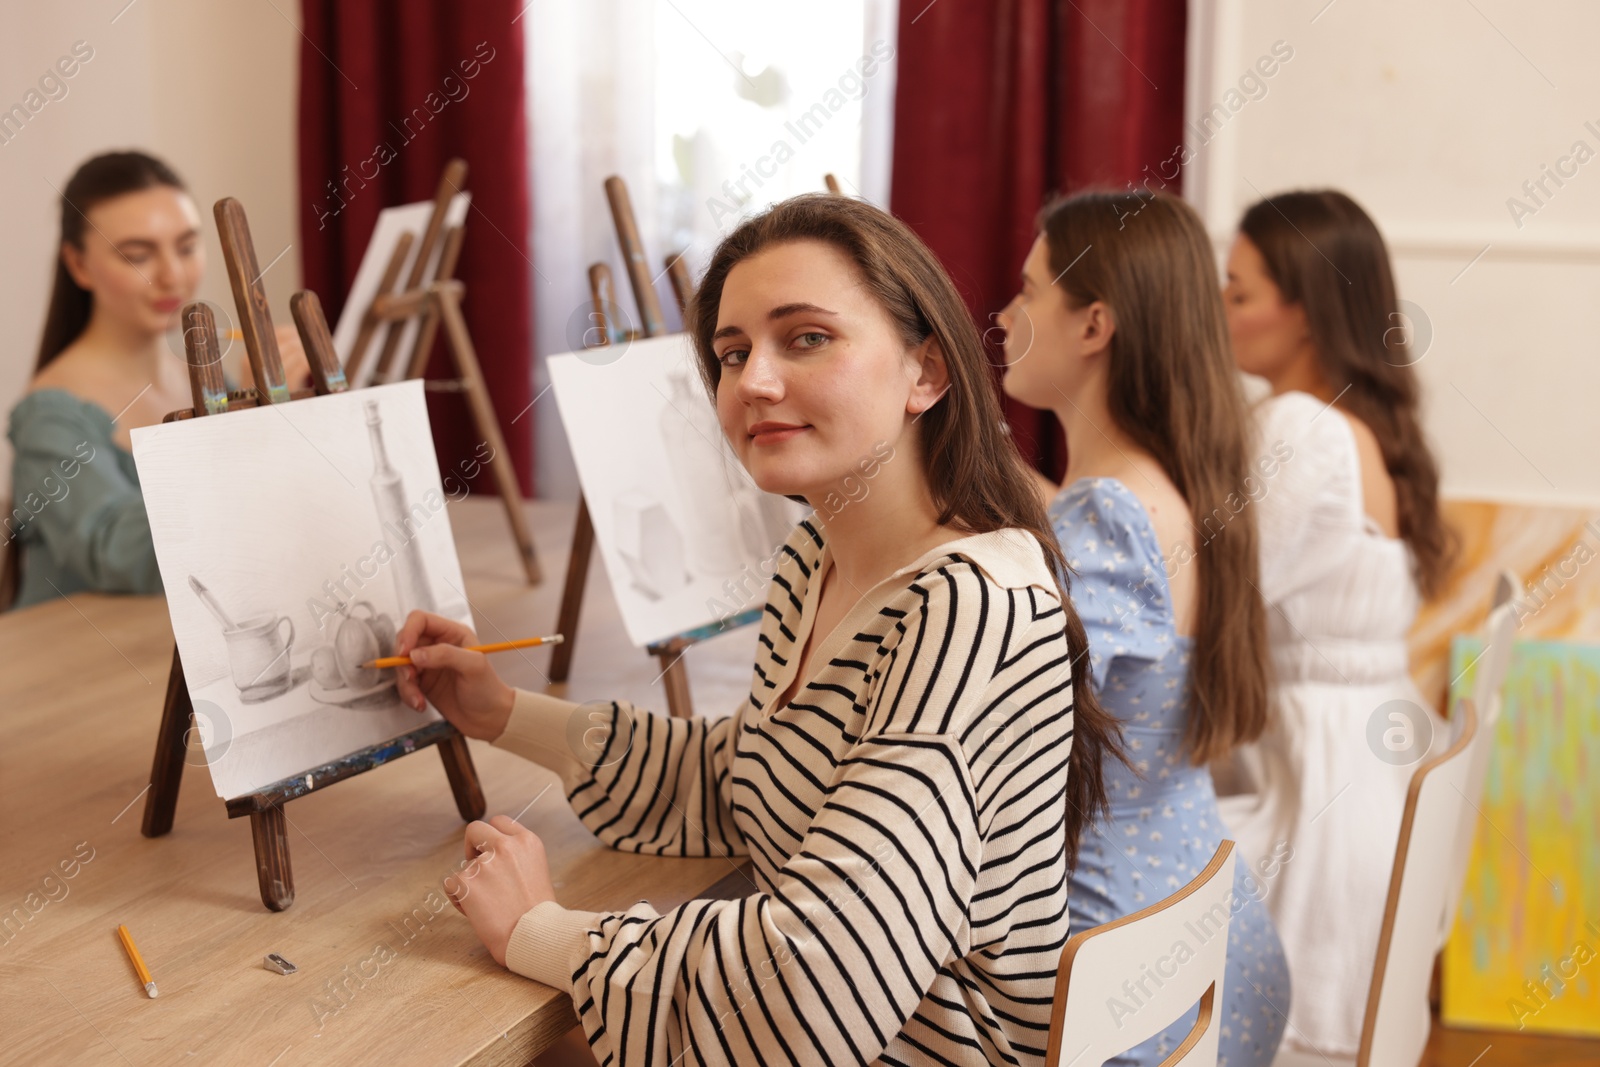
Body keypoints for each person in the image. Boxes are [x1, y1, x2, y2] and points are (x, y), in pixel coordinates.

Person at [392, 193, 1126, 1066]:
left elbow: (817, 985)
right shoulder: (815, 557)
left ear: (925, 373)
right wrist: (499, 711)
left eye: (806, 337)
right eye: (731, 353)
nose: (754, 382)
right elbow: (744, 777)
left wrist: (542, 931)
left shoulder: (969, 611)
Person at [998, 190, 1291, 1066]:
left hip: (1120, 974)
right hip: (1205, 921)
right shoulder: (1174, 484)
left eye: (1028, 290)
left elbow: (1010, 736)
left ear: (1094, 324)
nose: (1007, 315)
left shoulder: (1111, 518)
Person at [1217, 188, 1455, 1055]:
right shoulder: (1352, 424)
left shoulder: (1299, 429)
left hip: (1315, 788)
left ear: (1306, 312)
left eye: (1237, 292)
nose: (1219, 309)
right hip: (1358, 773)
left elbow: (1207, 599)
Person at [6, 150, 307, 611]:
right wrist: (250, 426)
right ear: (79, 265)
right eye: (137, 255)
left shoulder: (204, 378)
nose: (172, 276)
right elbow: (121, 557)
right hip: (76, 661)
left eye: (187, 247)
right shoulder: (50, 415)